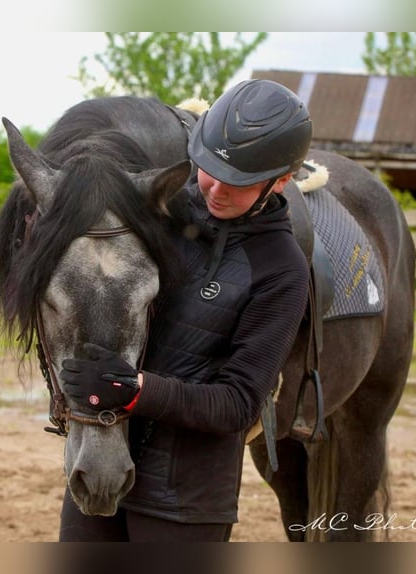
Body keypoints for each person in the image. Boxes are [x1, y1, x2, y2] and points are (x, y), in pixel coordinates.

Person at [58, 79, 312, 541]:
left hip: (185, 503)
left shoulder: (282, 269)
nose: (216, 190)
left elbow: (238, 403)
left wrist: (134, 391)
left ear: (282, 180)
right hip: (104, 467)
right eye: (209, 169)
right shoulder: (155, 214)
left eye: (239, 182)